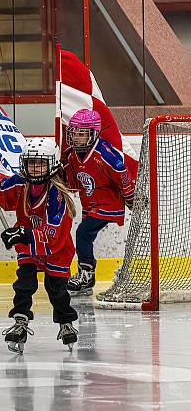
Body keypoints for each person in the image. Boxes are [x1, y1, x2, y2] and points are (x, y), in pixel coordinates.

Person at [0, 138, 78, 353]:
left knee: (56, 290)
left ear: (53, 164)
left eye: (40, 163)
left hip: (56, 251)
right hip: (28, 246)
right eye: (31, 163)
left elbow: (54, 234)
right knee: (24, 284)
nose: (35, 168)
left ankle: (66, 322)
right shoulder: (21, 182)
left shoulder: (58, 195)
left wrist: (24, 233)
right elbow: (2, 193)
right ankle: (20, 322)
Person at [61, 109, 137, 295]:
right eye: (74, 133)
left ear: (94, 134)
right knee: (85, 236)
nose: (76, 138)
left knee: (83, 233)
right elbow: (72, 183)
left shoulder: (105, 154)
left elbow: (122, 175)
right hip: (90, 204)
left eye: (81, 134)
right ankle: (87, 278)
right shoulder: (72, 155)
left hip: (108, 205)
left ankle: (86, 274)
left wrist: (131, 198)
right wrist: (59, 173)